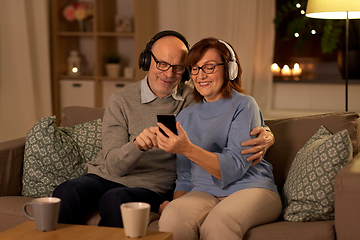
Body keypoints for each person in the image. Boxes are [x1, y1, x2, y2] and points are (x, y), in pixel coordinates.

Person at [52, 30, 274, 228]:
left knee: (115, 201)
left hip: (153, 185)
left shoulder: (193, 97)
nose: (169, 74)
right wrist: (137, 145)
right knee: (66, 192)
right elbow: (113, 165)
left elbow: (229, 111)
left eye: (178, 68)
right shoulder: (121, 99)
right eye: (162, 64)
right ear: (147, 60)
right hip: (110, 174)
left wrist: (266, 133)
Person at [157, 38, 281, 240]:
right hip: (203, 193)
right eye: (195, 69)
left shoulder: (244, 105)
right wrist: (175, 202)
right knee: (172, 218)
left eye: (209, 67)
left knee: (218, 222)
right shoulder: (186, 116)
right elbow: (186, 177)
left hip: (251, 188)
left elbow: (232, 168)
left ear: (230, 70)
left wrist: (187, 149)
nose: (200, 75)